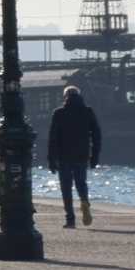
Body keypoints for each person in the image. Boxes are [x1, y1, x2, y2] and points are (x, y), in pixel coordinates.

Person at [47, 85, 102, 228]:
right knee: (81, 182)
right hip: (82, 154)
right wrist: (95, 156)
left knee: (66, 188)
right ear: (79, 96)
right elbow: (97, 135)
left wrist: (51, 159)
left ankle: (70, 219)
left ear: (65, 97)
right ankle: (84, 201)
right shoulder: (88, 111)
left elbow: (52, 138)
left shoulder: (59, 113)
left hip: (63, 155)